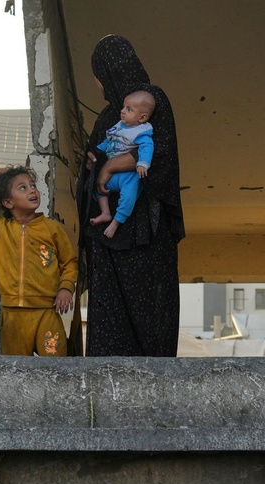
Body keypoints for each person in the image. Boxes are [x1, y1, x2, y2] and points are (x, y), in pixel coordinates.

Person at [77, 35, 184, 357]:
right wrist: (93, 163)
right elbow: (96, 157)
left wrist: (107, 167)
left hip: (144, 229)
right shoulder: (110, 113)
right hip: (109, 236)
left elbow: (155, 151)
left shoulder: (150, 98)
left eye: (98, 77)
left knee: (149, 310)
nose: (99, 86)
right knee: (111, 313)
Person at [0, 166, 77, 356]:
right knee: (16, 369)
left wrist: (66, 288)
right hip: (12, 316)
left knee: (56, 365)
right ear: (7, 202)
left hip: (46, 312)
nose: (32, 190)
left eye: (32, 186)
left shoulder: (52, 229)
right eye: (22, 188)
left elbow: (70, 262)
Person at [89, 89, 156, 239]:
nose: (123, 111)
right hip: (114, 174)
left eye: (129, 109)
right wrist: (97, 151)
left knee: (128, 195)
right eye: (124, 107)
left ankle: (116, 221)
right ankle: (105, 213)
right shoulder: (120, 125)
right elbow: (109, 141)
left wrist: (143, 164)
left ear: (142, 117)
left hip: (128, 175)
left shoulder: (141, 131)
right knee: (99, 187)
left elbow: (147, 146)